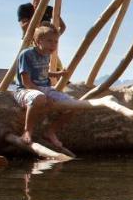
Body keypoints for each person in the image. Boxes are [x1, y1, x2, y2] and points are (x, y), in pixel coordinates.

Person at [11, 26, 81, 154]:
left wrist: (56, 74)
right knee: (39, 98)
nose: (53, 44)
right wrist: (44, 95)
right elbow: (26, 82)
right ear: (38, 41)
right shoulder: (26, 54)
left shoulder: (46, 55)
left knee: (74, 105)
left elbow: (42, 72)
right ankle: (27, 131)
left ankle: (51, 131)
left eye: (55, 41)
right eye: (49, 41)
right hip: (25, 90)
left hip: (45, 88)